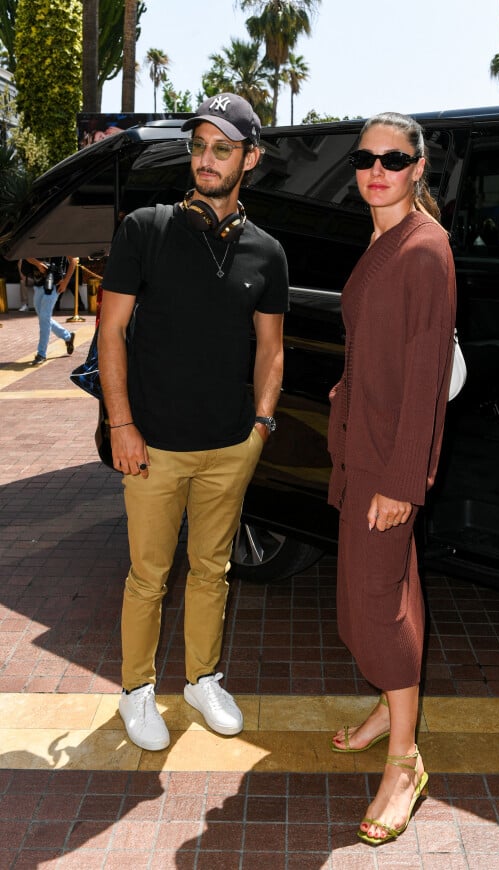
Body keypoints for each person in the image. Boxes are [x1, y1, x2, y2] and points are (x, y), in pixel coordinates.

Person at [98, 93, 289, 752]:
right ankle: (136, 691)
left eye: (223, 148)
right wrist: (121, 424)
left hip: (229, 446)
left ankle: (203, 679)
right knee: (148, 576)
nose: (206, 160)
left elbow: (272, 346)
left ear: (250, 159)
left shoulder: (267, 252)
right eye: (199, 145)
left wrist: (260, 426)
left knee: (213, 572)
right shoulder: (144, 229)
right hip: (151, 445)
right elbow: (111, 332)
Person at [327, 112, 456, 847]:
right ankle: (388, 709)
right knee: (365, 597)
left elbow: (426, 376)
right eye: (367, 157)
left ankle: (406, 760)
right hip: (362, 449)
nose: (378, 168)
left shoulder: (425, 249)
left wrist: (404, 482)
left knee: (381, 609)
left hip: (390, 461)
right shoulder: (380, 239)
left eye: (394, 157)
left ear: (417, 168)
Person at [27, 256, 78, 365]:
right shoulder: (35, 239)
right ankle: (67, 336)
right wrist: (38, 264)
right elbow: (26, 255)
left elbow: (73, 260)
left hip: (54, 285)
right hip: (38, 284)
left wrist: (65, 282)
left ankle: (41, 354)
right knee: (44, 317)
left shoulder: (60, 240)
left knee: (44, 319)